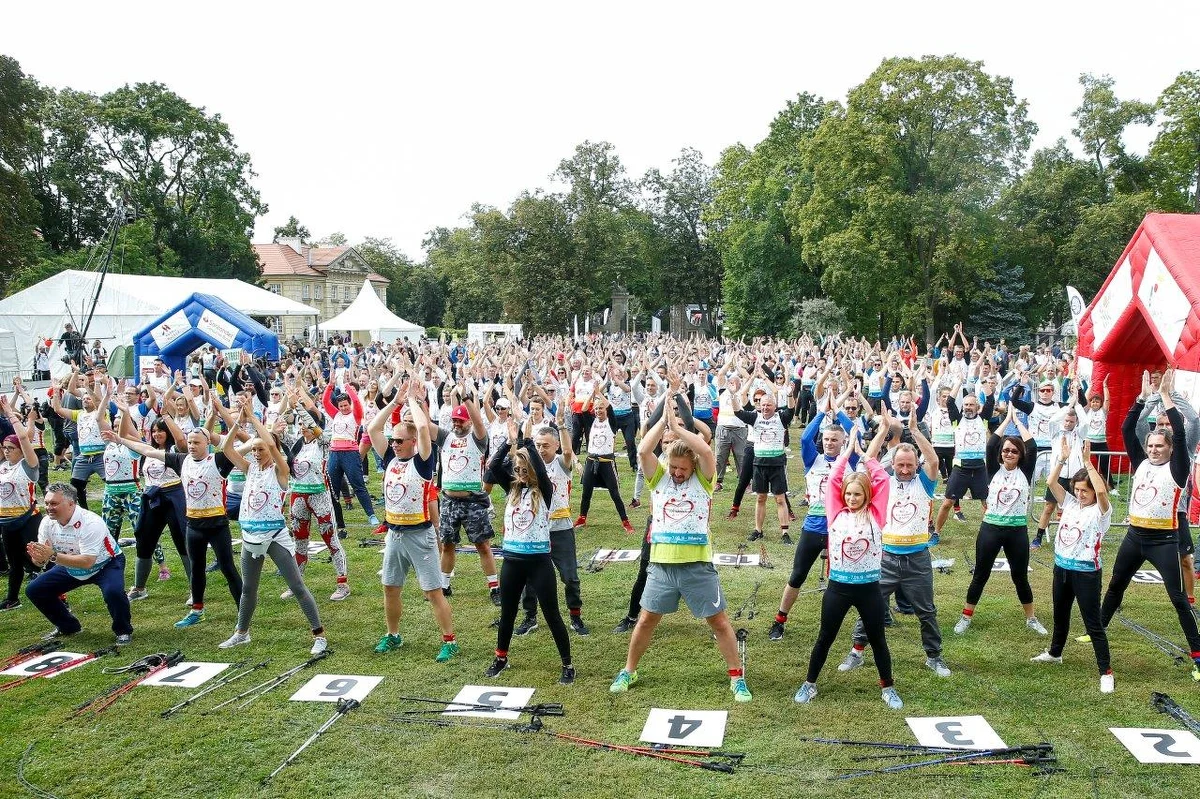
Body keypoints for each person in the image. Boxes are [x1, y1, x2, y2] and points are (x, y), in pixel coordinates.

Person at [610, 392, 752, 703]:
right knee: (646, 619)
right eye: (673, 467)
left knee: (718, 621)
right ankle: (629, 670)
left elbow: (703, 447)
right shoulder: (658, 479)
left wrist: (679, 425)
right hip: (661, 565)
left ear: (694, 468)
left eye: (682, 469)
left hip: (697, 565)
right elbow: (644, 448)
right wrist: (664, 422)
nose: (676, 473)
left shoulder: (703, 481)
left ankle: (736, 677)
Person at [792, 423, 902, 710]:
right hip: (838, 589)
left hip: (869, 590)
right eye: (848, 494)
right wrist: (847, 453)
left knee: (878, 639)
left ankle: (887, 687)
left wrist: (865, 456)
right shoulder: (835, 513)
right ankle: (809, 683)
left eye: (857, 494)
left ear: (866, 495)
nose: (852, 499)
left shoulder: (876, 514)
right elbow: (832, 482)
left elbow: (883, 481)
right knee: (825, 637)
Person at [1100, 369, 1200, 679]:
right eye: (1151, 445)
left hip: (1163, 541)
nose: (1154, 449)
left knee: (1178, 598)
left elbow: (1184, 432)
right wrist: (1141, 400)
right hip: (1134, 537)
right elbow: (1128, 427)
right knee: (1116, 584)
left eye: (1160, 446)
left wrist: (1168, 397)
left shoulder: (1178, 467)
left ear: (1171, 448)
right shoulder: (1140, 461)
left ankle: (1197, 653)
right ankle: (1097, 629)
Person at [839, 410, 951, 677]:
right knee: (871, 606)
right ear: (893, 464)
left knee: (926, 610)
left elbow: (933, 460)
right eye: (900, 464)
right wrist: (883, 429)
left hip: (918, 558)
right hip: (885, 557)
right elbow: (868, 460)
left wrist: (915, 431)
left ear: (916, 465)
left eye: (909, 465)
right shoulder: (885, 482)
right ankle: (856, 652)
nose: (904, 469)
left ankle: (934, 656)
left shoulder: (924, 483)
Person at [216, 406, 327, 655]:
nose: (256, 453)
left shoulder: (281, 471)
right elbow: (226, 449)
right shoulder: (249, 468)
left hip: (275, 536)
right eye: (253, 449)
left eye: (260, 449)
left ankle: (319, 634)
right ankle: (241, 633)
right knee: (248, 589)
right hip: (250, 537)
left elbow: (274, 447)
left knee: (297, 586)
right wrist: (238, 424)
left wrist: (254, 420)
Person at [129, 399, 243, 629]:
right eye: (189, 442)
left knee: (228, 568)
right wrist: (119, 438)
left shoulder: (219, 460)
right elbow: (146, 450)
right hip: (194, 526)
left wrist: (238, 423)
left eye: (196, 442)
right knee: (197, 568)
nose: (190, 445)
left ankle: (244, 609)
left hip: (217, 524)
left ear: (206, 444)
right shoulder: (181, 460)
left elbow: (240, 445)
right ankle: (197, 609)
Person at [367, 380, 459, 662]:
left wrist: (413, 403)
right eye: (392, 440)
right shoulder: (390, 460)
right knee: (390, 588)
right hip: (394, 534)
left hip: (419, 536)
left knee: (433, 591)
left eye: (398, 441)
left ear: (412, 443)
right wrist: (394, 402)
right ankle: (393, 635)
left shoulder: (422, 461)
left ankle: (449, 639)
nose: (393, 445)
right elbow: (372, 429)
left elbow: (421, 429)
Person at [484, 415, 575, 684]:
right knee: (507, 613)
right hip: (512, 561)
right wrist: (509, 443)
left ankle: (567, 664)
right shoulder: (512, 489)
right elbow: (492, 468)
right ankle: (501, 658)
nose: (521, 475)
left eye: (525, 471)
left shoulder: (544, 490)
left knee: (552, 614)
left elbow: (539, 468)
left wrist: (526, 443)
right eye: (518, 471)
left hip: (538, 562)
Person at [952, 405, 1048, 636]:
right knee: (981, 575)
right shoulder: (993, 469)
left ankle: (1031, 618)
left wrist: (1018, 419)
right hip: (991, 529)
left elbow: (1032, 445)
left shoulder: (1025, 471)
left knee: (1020, 576)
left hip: (1016, 532)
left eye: (1014, 451)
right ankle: (966, 617)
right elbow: (991, 443)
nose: (1009, 454)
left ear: (1020, 455)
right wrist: (1006, 420)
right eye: (1006, 451)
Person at [1030, 438, 1114, 693]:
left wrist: (1088, 463)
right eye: (1077, 489)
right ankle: (1055, 653)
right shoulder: (1070, 503)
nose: (1080, 494)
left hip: (1086, 572)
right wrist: (1062, 460)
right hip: (1062, 568)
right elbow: (1050, 483)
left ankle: (1106, 671)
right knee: (1060, 614)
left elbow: (1100, 492)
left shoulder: (1102, 510)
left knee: (1093, 623)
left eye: (1083, 490)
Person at [768, 412, 848, 641]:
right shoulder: (814, 459)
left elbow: (856, 433)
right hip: (813, 526)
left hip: (840, 529)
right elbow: (804, 439)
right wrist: (823, 411)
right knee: (797, 575)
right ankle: (779, 620)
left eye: (835, 439)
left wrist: (840, 413)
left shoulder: (849, 461)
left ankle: (833, 627)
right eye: (826, 439)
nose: (830, 443)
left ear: (843, 442)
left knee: (840, 580)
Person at [25, 483, 132, 644]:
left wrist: (52, 556)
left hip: (106, 564)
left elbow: (88, 561)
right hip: (71, 564)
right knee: (35, 589)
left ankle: (123, 631)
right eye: (46, 503)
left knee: (114, 592)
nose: (48, 508)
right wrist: (38, 558)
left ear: (71, 503)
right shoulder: (47, 523)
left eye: (54, 503)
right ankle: (68, 627)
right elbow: (41, 560)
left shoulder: (90, 522)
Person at [515, 403, 587, 636]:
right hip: (535, 530)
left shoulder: (561, 463)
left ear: (555, 445)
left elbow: (568, 453)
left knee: (569, 576)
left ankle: (575, 616)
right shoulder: (530, 466)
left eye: (546, 445)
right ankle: (530, 616)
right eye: (538, 445)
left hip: (560, 529)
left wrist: (562, 424)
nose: (541, 449)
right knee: (529, 577)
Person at [105, 418, 192, 602]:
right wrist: (125, 413)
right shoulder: (148, 450)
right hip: (152, 497)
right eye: (153, 431)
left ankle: (195, 588)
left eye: (161, 430)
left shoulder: (176, 451)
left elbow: (182, 440)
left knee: (182, 542)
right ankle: (139, 587)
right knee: (144, 541)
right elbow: (124, 436)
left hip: (174, 497)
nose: (157, 434)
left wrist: (168, 416)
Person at [437, 389, 500, 604]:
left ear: (469, 422)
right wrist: (413, 399)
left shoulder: (478, 439)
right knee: (447, 544)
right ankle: (444, 585)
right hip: (448, 501)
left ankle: (494, 587)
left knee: (482, 545)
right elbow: (425, 425)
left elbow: (479, 423)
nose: (457, 424)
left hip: (473, 501)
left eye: (461, 421)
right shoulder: (445, 437)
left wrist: (466, 398)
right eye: (454, 420)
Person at [735, 386, 797, 543]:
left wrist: (790, 394)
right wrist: (731, 394)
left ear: (775, 406)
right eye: (762, 405)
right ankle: (758, 530)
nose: (765, 408)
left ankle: (785, 532)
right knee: (761, 498)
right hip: (759, 464)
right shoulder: (755, 417)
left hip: (776, 464)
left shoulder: (781, 418)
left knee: (780, 499)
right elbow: (738, 412)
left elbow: (791, 410)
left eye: (768, 405)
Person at [0, 402, 43, 611]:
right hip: (7, 522)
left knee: (38, 560)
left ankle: (59, 597)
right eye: (5, 448)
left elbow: (25, 437)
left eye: (11, 448)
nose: (7, 452)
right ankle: (12, 598)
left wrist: (10, 415)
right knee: (15, 562)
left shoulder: (28, 467)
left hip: (28, 519)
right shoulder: (2, 467)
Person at [574, 396, 636, 534]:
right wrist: (592, 395)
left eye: (600, 408)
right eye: (596, 408)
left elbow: (610, 408)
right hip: (591, 460)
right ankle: (582, 517)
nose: (598, 411)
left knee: (614, 493)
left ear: (606, 410)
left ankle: (625, 521)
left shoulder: (611, 422)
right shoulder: (592, 421)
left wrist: (598, 393)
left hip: (606, 462)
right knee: (586, 492)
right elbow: (584, 409)